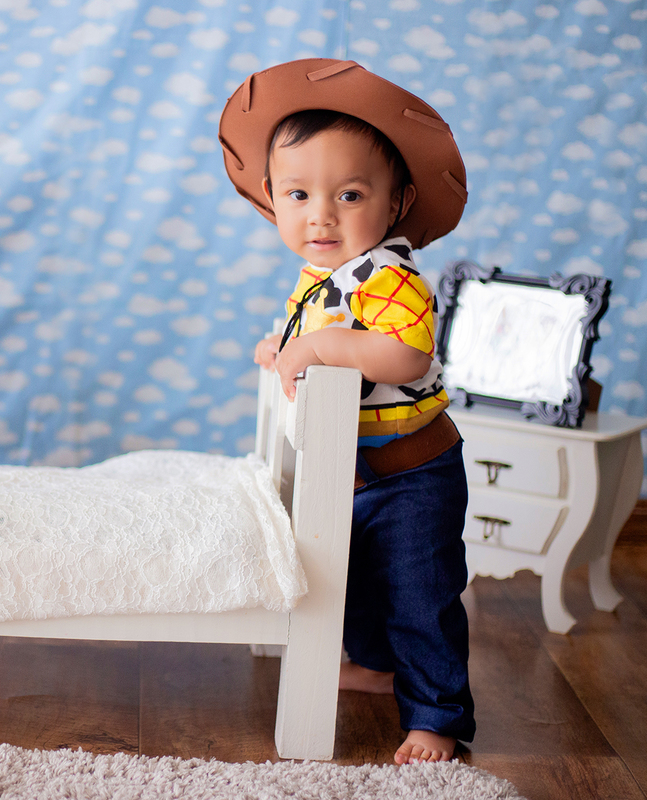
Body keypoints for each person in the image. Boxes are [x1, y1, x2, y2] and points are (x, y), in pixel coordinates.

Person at [219, 58, 474, 764]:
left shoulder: (392, 277)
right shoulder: (319, 276)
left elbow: (406, 358)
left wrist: (328, 343)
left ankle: (436, 717)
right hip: (352, 472)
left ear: (394, 205)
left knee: (420, 593)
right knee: (353, 579)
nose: (320, 215)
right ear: (272, 198)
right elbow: (313, 338)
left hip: (412, 472)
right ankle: (372, 664)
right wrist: (286, 347)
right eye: (299, 193)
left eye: (350, 194)